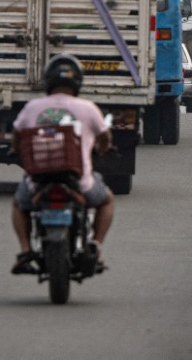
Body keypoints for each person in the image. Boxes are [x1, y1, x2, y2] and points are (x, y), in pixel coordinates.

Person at [10, 53, 114, 273]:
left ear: (48, 81)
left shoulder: (32, 107)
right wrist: (102, 149)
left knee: (19, 204)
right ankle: (95, 245)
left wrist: (16, 150)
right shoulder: (88, 108)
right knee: (107, 201)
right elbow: (105, 137)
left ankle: (25, 250)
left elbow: (17, 136)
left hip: (38, 182)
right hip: (80, 183)